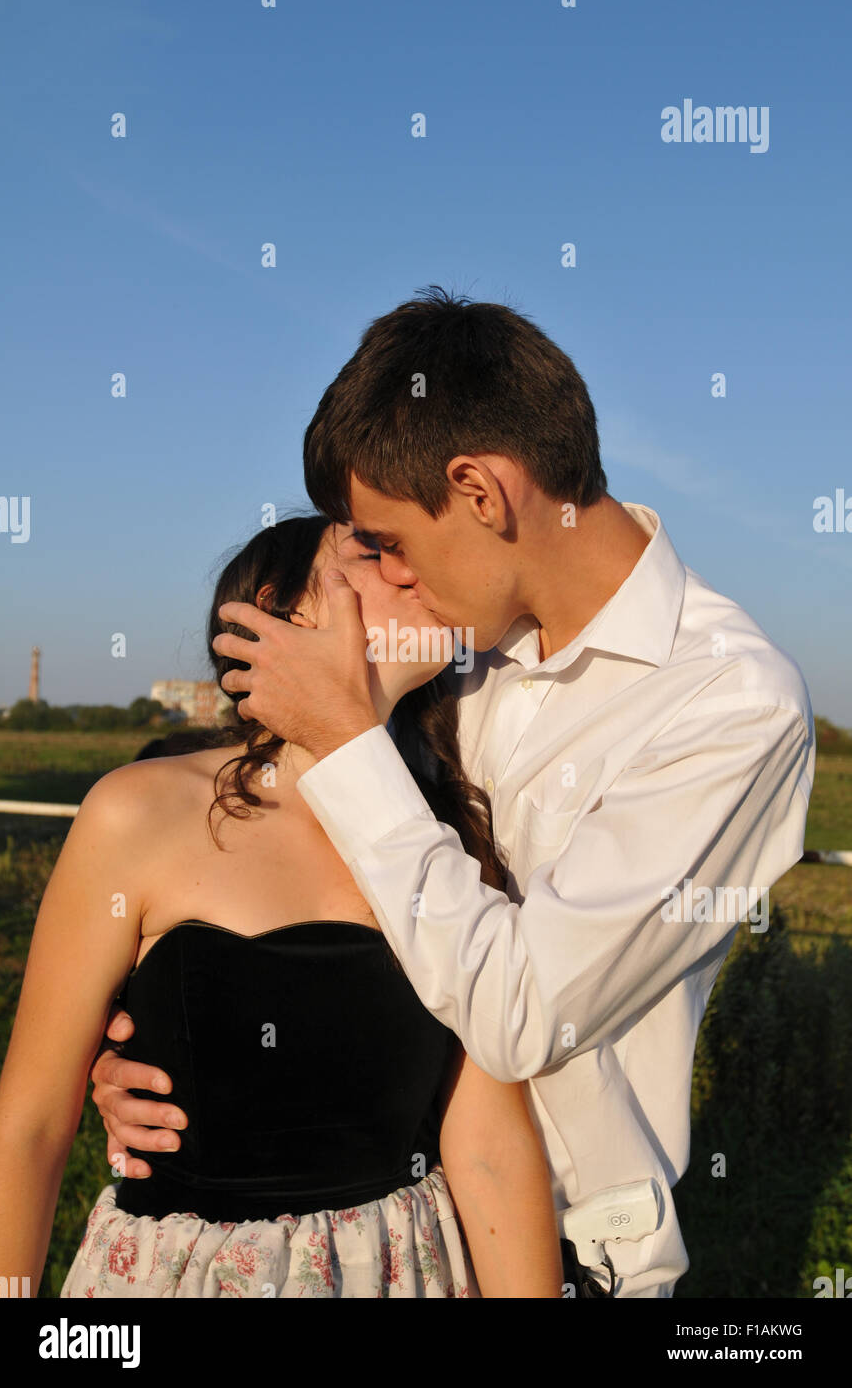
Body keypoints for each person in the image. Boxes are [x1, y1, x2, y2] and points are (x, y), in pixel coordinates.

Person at [92, 287, 815, 1297]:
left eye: (387, 539)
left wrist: (346, 736)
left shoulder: (726, 706)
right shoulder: (451, 652)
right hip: (366, 1223)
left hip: (560, 1251)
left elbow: (519, 1012)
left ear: (478, 491)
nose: (389, 574)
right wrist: (168, 1046)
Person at [0, 514, 565, 1299]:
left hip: (400, 1273)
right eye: (374, 552)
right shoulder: (136, 811)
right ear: (278, 610)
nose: (410, 569)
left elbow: (490, 1147)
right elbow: (29, 1128)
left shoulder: (452, 842)